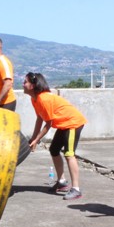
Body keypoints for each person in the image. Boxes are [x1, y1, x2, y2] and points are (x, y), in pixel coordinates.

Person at [23, 72, 87, 200]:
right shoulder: (34, 99)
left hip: (72, 123)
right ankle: (62, 182)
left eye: (25, 82)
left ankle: (76, 189)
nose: (23, 84)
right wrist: (33, 138)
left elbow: (48, 124)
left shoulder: (43, 98)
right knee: (54, 150)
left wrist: (37, 140)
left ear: (32, 85)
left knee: (69, 153)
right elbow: (39, 119)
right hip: (63, 124)